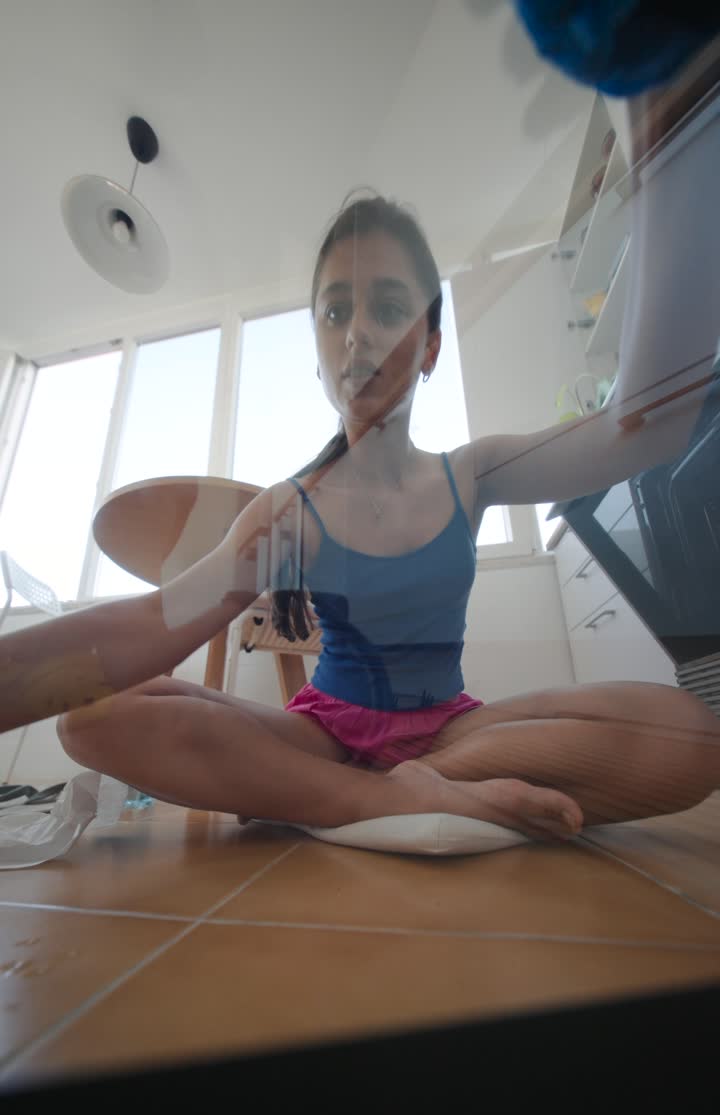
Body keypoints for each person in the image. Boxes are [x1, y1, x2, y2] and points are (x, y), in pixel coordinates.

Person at [3, 73, 720, 840]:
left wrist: (669, 151)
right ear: (316, 353)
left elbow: (640, 432)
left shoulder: (474, 473)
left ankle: (357, 795)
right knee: (93, 719)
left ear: (431, 347)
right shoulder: (291, 511)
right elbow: (155, 620)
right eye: (336, 312)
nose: (357, 335)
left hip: (451, 732)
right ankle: (385, 800)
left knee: (692, 734)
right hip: (321, 736)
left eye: (386, 308)